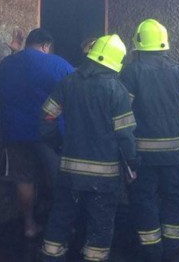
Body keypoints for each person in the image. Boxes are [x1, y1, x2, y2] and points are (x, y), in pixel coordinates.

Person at [39, 35, 138, 262]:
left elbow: (46, 119)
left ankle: (51, 255)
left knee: (61, 216)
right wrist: (132, 163)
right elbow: (125, 135)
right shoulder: (117, 90)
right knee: (100, 224)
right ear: (116, 61)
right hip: (104, 178)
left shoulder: (68, 82)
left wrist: (58, 143)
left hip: (69, 172)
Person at [120, 18, 179, 262]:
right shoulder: (178, 71)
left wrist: (123, 150)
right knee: (174, 197)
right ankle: (173, 249)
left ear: (138, 44)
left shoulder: (131, 72)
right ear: (164, 44)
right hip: (174, 154)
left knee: (144, 200)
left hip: (142, 155)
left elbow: (123, 112)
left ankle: (151, 250)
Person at [0, 28, 74, 238]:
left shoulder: (6, 65)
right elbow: (77, 91)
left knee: (24, 179)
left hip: (14, 132)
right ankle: (61, 228)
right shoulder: (58, 64)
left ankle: (29, 225)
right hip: (48, 134)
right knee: (57, 178)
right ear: (46, 45)